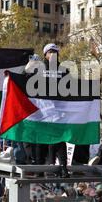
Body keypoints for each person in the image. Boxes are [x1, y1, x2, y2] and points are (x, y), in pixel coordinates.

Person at [42, 43, 69, 178]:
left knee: (60, 138)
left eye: (56, 52)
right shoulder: (39, 68)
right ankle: (49, 164)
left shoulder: (63, 69)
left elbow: (71, 85)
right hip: (44, 109)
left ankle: (63, 166)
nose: (53, 54)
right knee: (48, 137)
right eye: (50, 52)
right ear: (45, 55)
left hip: (59, 109)